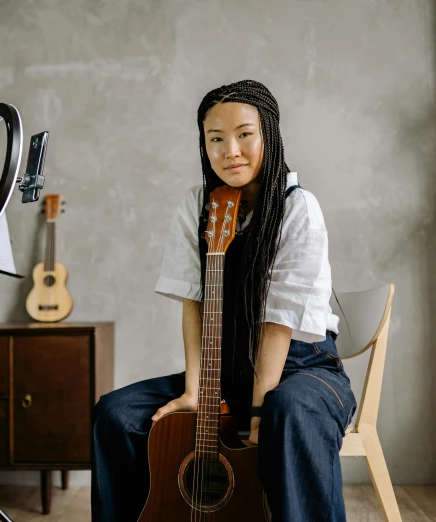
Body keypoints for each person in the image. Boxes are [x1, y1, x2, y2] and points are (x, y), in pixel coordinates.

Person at [91, 79, 356, 521]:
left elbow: (278, 324)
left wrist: (256, 410)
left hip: (300, 366)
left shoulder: (298, 208)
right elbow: (193, 302)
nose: (230, 150)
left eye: (244, 134)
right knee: (115, 414)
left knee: (287, 413)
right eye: (215, 139)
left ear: (268, 135)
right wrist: (197, 390)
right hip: (222, 365)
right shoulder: (197, 204)